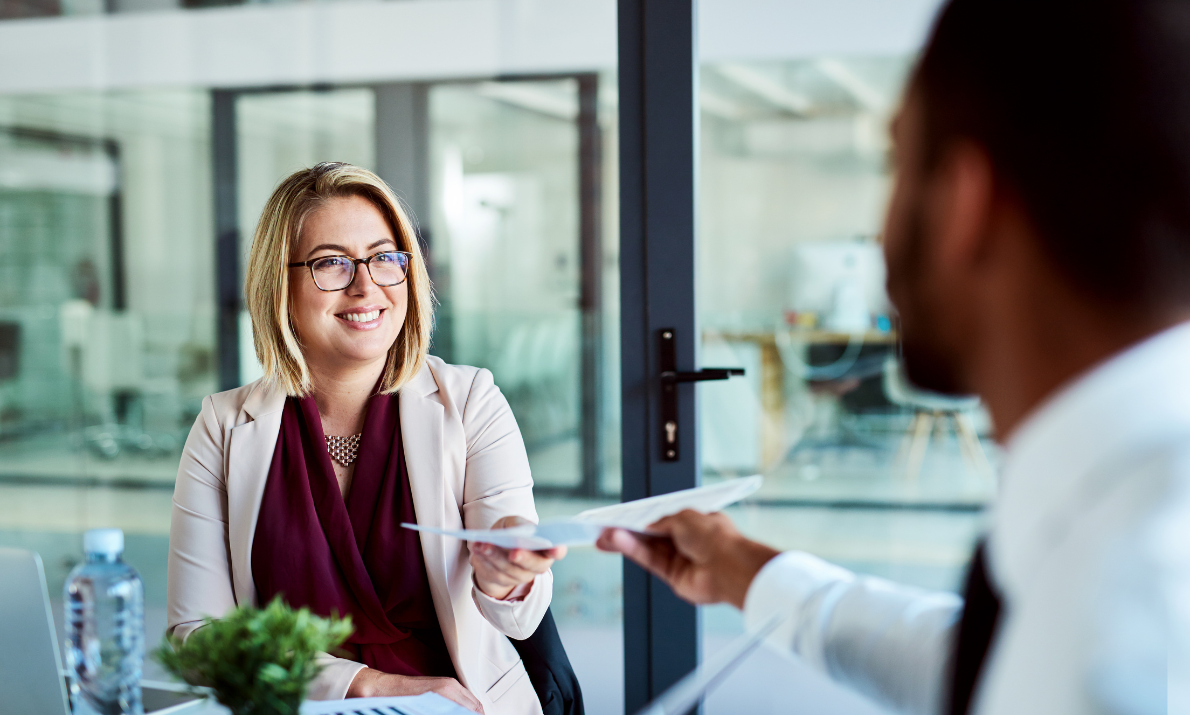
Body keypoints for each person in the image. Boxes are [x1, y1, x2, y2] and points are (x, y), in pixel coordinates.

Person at [598, 1, 1190, 713]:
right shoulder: (1116, 551)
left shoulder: (1137, 609)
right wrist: (743, 568)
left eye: (897, 166)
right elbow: (989, 662)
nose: (879, 234)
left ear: (963, 204)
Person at [167, 162, 566, 714]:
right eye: (332, 263)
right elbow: (197, 639)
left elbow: (519, 617)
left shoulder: (471, 402)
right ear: (277, 284)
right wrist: (365, 684)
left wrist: (508, 579)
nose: (366, 285)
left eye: (385, 258)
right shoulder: (224, 426)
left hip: (459, 706)